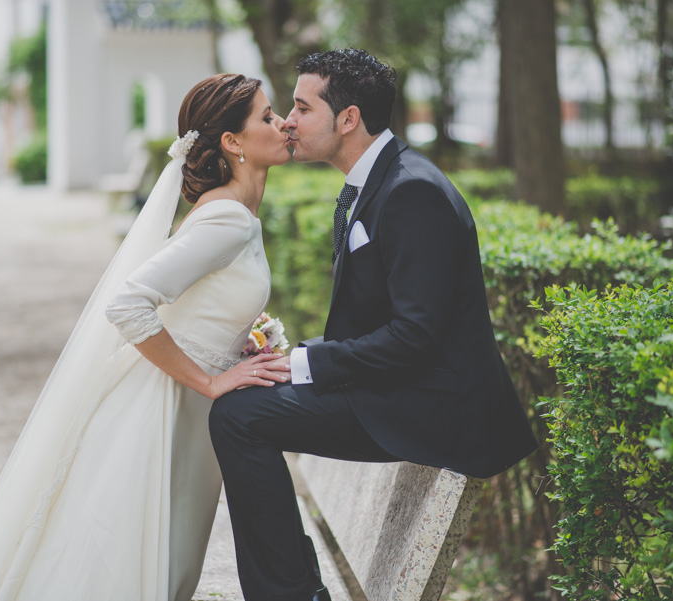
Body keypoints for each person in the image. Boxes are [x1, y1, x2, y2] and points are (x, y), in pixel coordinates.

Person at [0, 73, 291, 601]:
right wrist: (210, 381)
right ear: (233, 143)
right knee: (134, 566)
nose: (282, 123)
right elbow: (127, 303)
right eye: (267, 116)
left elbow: (197, 310)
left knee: (161, 562)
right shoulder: (230, 221)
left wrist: (239, 345)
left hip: (184, 407)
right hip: (160, 408)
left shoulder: (233, 213)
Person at [209, 49, 541, 601]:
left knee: (241, 416)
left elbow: (415, 337)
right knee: (243, 405)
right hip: (404, 388)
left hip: (435, 407)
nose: (288, 121)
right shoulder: (380, 180)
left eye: (301, 107)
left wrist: (303, 363)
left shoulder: (412, 190)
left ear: (348, 119)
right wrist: (295, 359)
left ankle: (293, 594)